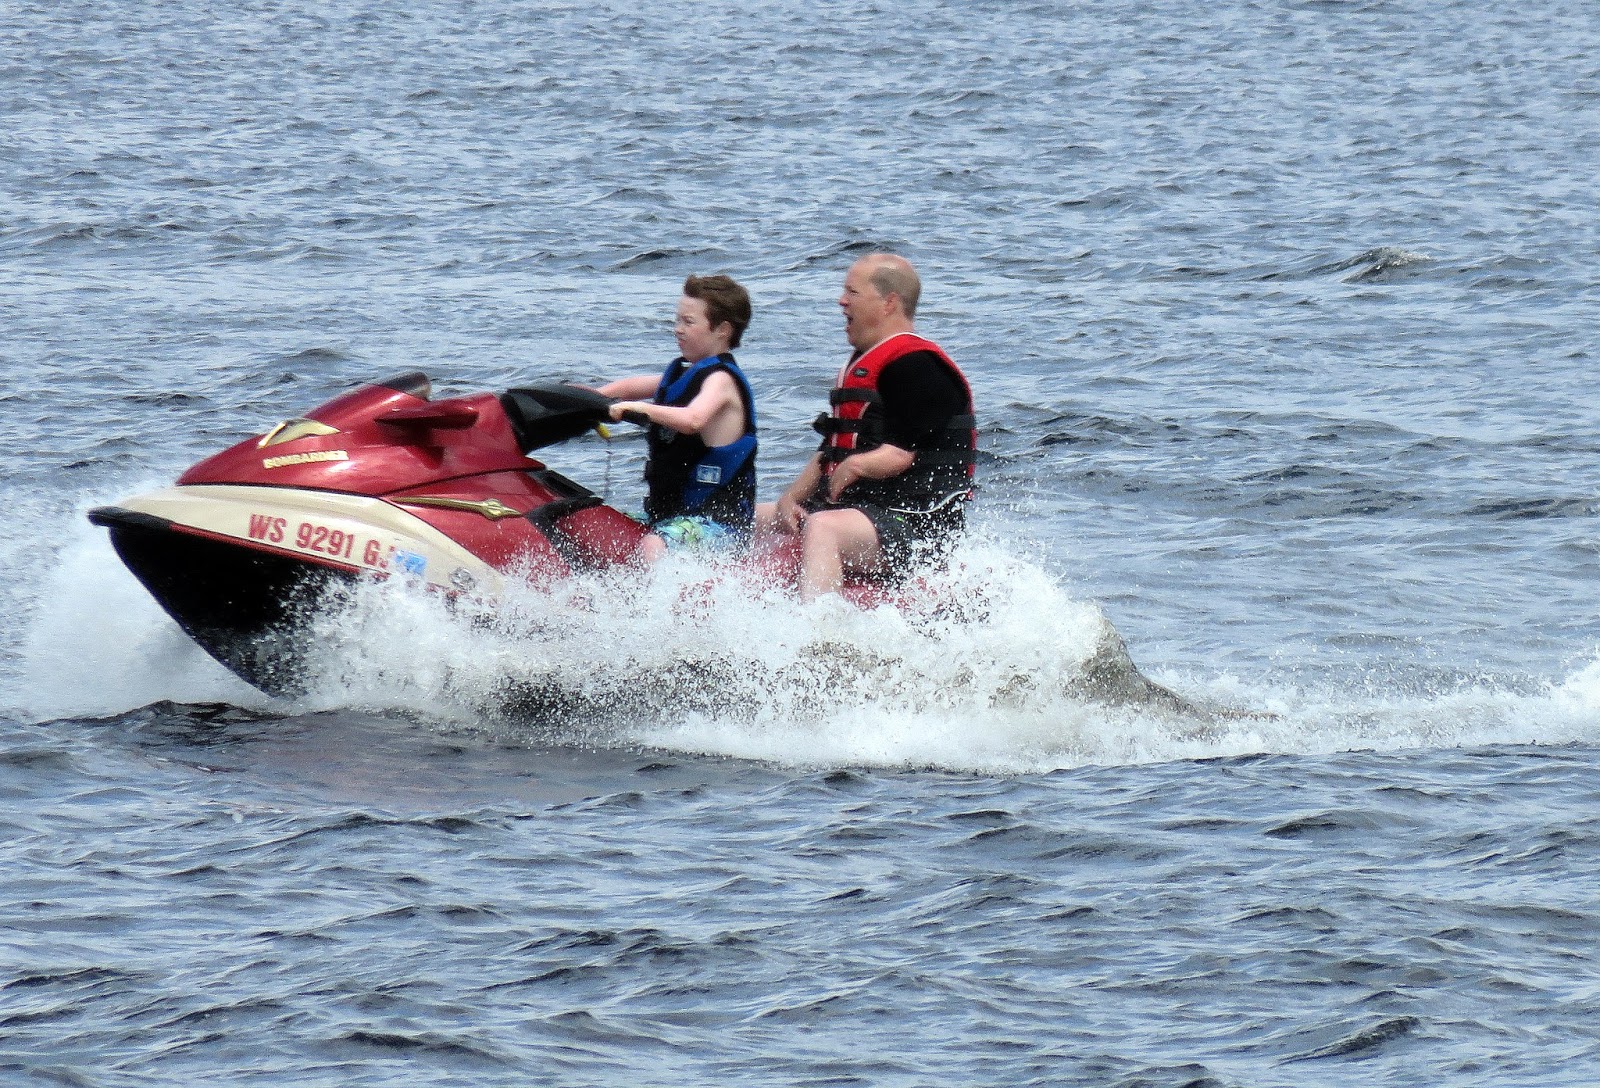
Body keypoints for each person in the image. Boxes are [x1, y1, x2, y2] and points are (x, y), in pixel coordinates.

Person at [755, 253, 976, 600]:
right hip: (862, 514)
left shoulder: (918, 367)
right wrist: (791, 498)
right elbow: (832, 448)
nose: (841, 301)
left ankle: (814, 635)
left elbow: (900, 454)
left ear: (889, 303)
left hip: (916, 524)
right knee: (750, 516)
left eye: (852, 293)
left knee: (821, 528)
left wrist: (856, 465)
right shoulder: (865, 365)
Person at [599, 274, 757, 563]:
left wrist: (639, 409)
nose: (678, 330)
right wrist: (585, 400)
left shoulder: (721, 381)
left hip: (719, 527)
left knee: (653, 546)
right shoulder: (683, 376)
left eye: (688, 322)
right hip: (668, 517)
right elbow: (624, 388)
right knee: (599, 522)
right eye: (677, 321)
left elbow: (694, 419)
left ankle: (648, 608)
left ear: (722, 329)